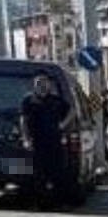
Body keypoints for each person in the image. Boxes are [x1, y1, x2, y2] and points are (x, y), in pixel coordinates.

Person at [20, 74, 72, 206]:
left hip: (54, 141)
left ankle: (57, 201)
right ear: (34, 86)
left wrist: (63, 124)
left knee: (57, 172)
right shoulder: (28, 100)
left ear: (49, 85)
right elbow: (23, 120)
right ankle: (39, 202)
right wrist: (26, 138)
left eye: (44, 83)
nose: (42, 86)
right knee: (38, 173)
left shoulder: (56, 100)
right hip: (37, 141)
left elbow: (71, 111)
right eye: (39, 83)